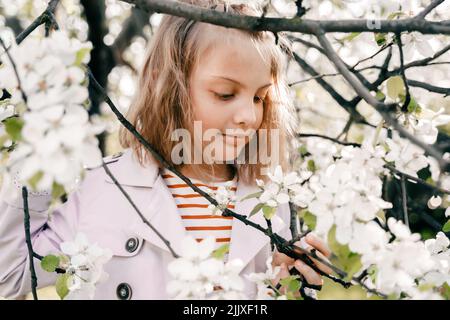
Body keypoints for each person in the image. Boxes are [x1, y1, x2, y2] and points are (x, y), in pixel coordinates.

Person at [0, 0, 331, 300]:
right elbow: (9, 276)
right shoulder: (105, 187)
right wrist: (36, 155)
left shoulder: (267, 201)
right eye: (225, 94)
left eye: (259, 97)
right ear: (165, 85)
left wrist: (288, 279)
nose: (249, 116)